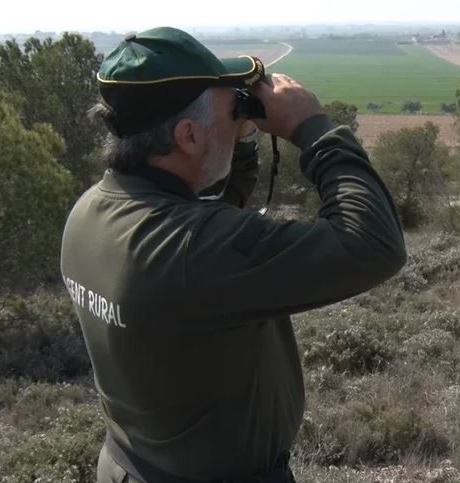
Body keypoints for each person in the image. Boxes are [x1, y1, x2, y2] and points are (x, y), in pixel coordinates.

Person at [60, 26, 406, 483]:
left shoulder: (90, 213)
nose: (239, 115)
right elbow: (373, 243)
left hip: (130, 465)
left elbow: (203, 214)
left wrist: (231, 136)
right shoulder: (194, 251)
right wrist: (312, 128)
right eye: (230, 110)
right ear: (187, 136)